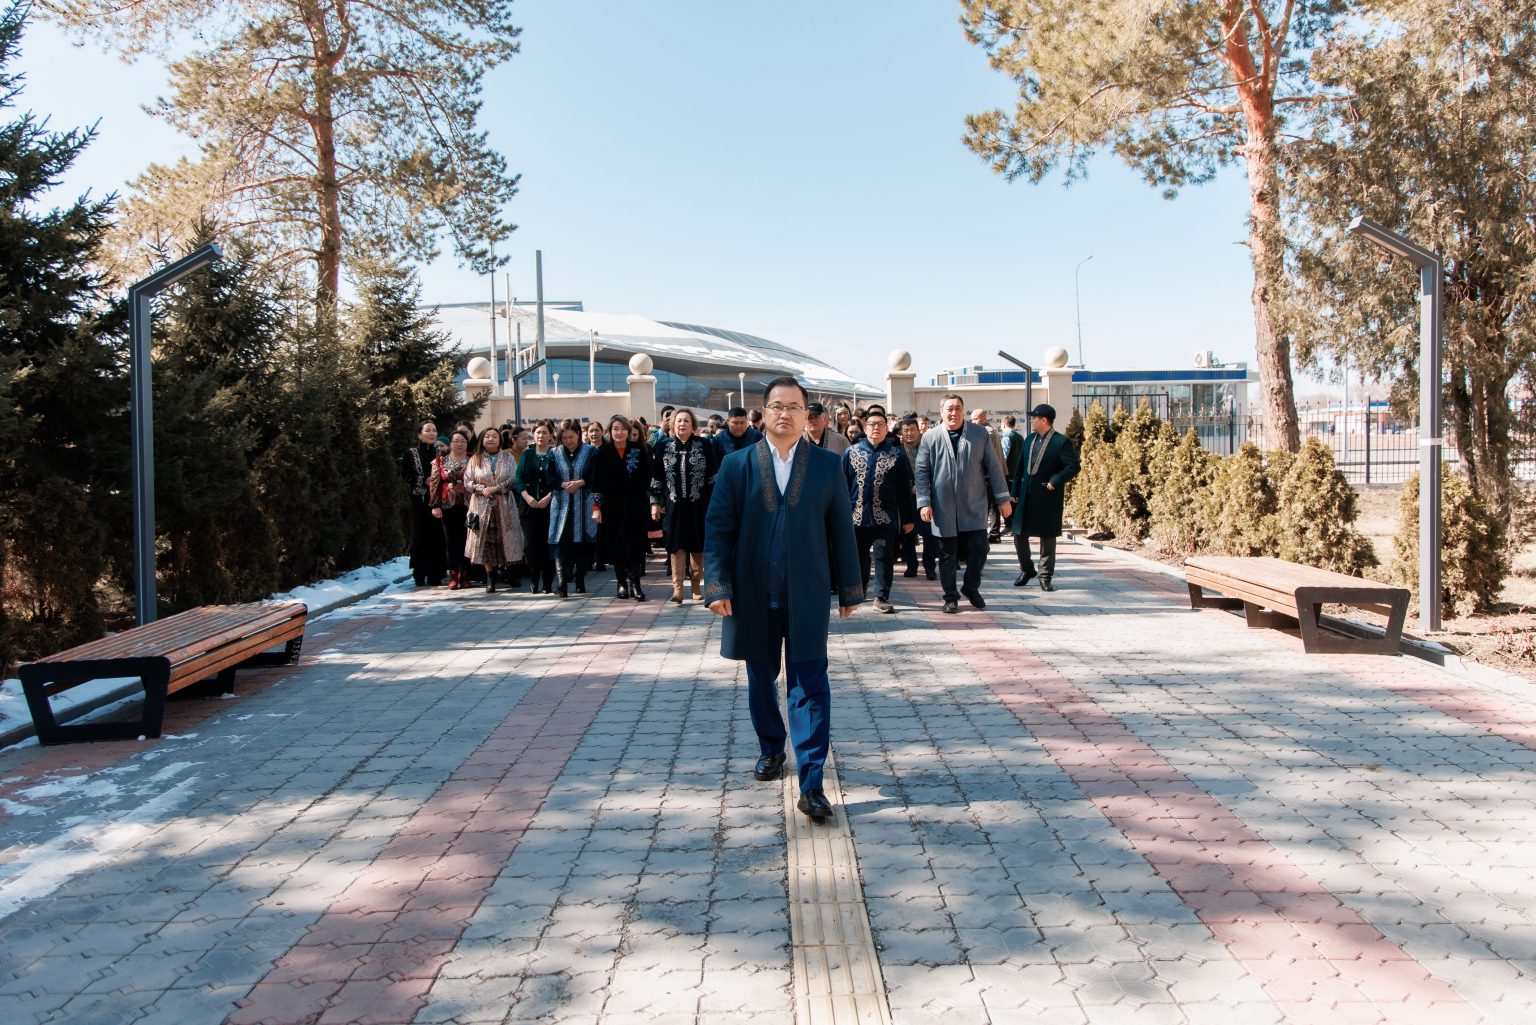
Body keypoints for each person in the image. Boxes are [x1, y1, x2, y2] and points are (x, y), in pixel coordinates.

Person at [704, 376, 863, 824]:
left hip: (806, 595)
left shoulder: (827, 466)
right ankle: (772, 747)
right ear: (765, 413)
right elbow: (718, 530)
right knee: (761, 680)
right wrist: (717, 586)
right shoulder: (737, 465)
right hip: (753, 595)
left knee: (810, 684)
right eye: (777, 406)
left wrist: (850, 588)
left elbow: (842, 530)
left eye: (794, 406)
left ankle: (812, 783)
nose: (785, 414)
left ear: (806, 414)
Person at [915, 394, 1013, 614]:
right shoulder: (930, 437)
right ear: (942, 412)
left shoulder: (979, 434)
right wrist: (924, 502)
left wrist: (1003, 499)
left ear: (964, 410)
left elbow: (994, 467)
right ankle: (950, 597)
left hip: (973, 504)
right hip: (943, 506)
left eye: (958, 408)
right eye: (949, 409)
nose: (954, 413)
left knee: (980, 547)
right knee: (947, 555)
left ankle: (971, 586)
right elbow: (921, 472)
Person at [842, 409, 914, 614]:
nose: (876, 428)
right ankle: (860, 589)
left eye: (880, 424)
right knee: (858, 557)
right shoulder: (851, 453)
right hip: (856, 516)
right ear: (865, 428)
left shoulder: (896, 455)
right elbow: (841, 485)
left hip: (885, 517)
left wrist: (907, 518)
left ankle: (881, 596)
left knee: (884, 557)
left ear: (886, 429)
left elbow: (904, 490)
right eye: (872, 424)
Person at [1010, 404, 1080, 592]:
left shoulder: (1061, 442)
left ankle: (1045, 576)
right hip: (1025, 495)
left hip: (1047, 496)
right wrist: (1014, 491)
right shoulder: (1029, 439)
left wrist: (1055, 480)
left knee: (1047, 537)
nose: (1031, 420)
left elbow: (1073, 466)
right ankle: (1027, 569)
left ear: (1043, 420)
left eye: (1034, 418)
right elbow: (1019, 467)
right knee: (1018, 533)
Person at [651, 408, 719, 603]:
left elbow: (713, 475)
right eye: (679, 420)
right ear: (673, 424)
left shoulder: (704, 445)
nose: (682, 424)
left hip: (699, 505)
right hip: (673, 506)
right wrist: (654, 502)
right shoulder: (663, 446)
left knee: (697, 543)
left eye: (686, 421)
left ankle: (696, 586)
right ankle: (678, 588)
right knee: (676, 544)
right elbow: (657, 476)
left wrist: (715, 502)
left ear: (693, 425)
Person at [592, 413, 654, 600]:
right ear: (610, 431)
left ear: (628, 431)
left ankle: (636, 583)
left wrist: (650, 501)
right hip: (612, 506)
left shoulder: (639, 450)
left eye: (623, 429)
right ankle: (621, 583)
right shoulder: (603, 453)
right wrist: (596, 508)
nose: (619, 433)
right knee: (616, 544)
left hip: (636, 505)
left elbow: (648, 477)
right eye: (615, 429)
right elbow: (597, 482)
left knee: (635, 544)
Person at [464, 426, 524, 593]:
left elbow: (514, 478)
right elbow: (468, 481)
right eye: (487, 436)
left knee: (508, 540)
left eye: (494, 436)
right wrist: (482, 489)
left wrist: (497, 488)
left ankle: (510, 574)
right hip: (481, 505)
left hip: (504, 504)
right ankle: (490, 578)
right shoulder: (475, 458)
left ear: (500, 440)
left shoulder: (507, 457)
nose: (490, 439)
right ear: (482, 440)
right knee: (485, 543)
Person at [547, 419, 599, 598]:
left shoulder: (590, 451)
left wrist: (580, 482)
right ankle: (561, 582)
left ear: (578, 434)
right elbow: (549, 477)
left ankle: (580, 579)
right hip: (561, 505)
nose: (568, 441)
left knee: (583, 544)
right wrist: (562, 484)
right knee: (560, 542)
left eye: (571, 437)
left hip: (584, 504)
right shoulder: (554, 453)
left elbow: (596, 476)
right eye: (564, 438)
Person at [400, 418, 447, 587]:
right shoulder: (411, 454)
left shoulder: (441, 453)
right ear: (419, 434)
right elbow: (405, 475)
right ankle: (419, 573)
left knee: (437, 536)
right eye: (428, 430)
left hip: (439, 500)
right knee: (420, 536)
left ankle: (436, 573)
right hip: (419, 500)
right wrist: (423, 481)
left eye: (434, 430)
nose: (432, 433)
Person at [515, 420, 557, 594]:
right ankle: (533, 578)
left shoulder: (555, 454)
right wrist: (527, 497)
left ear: (551, 436)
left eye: (545, 432)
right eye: (538, 432)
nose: (541, 435)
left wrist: (549, 496)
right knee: (531, 544)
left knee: (548, 543)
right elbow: (519, 478)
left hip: (550, 505)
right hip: (528, 507)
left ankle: (548, 582)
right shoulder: (528, 454)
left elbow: (559, 479)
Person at [429, 428, 473, 589]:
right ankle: (453, 575)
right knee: (451, 542)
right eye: (456, 441)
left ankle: (465, 574)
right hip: (448, 505)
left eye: (463, 441)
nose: (459, 444)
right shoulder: (440, 461)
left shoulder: (473, 459)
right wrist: (435, 505)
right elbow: (435, 484)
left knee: (468, 541)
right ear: (451, 443)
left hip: (470, 505)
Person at [896, 416, 936, 580]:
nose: (909, 433)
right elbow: (896, 477)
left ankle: (929, 567)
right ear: (901, 433)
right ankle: (911, 565)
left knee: (929, 534)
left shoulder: (928, 449)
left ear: (919, 431)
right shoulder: (897, 452)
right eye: (906, 430)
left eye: (912, 430)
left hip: (927, 497)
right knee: (908, 534)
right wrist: (909, 487)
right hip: (907, 499)